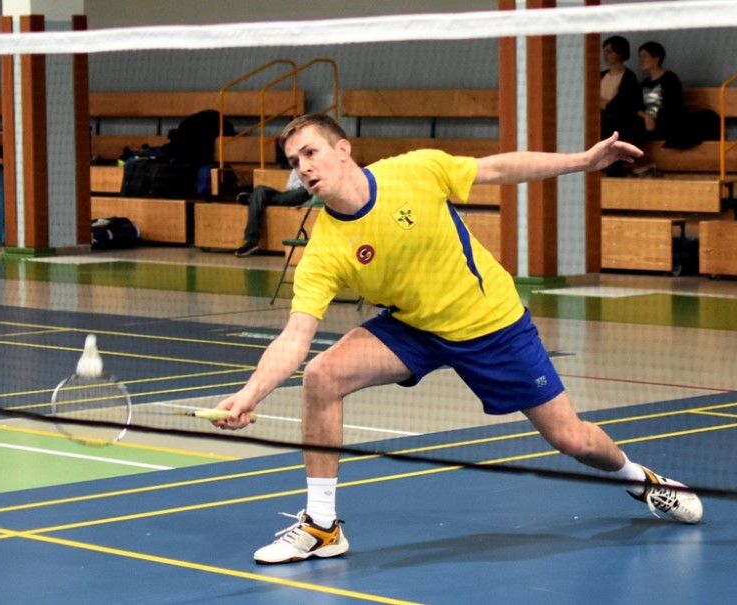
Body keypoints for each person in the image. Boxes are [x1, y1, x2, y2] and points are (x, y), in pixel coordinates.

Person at [211, 113, 704, 565]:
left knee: (570, 439)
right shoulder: (324, 249)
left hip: (491, 324)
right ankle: (322, 525)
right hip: (415, 326)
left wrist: (583, 161)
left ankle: (639, 479)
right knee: (322, 375)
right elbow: (295, 337)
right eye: (294, 161)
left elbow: (499, 168)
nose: (303, 168)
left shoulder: (414, 171)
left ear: (343, 150)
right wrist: (250, 394)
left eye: (310, 152)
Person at [233, 168, 311, 257]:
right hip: (288, 195)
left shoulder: (316, 168)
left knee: (302, 191)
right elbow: (289, 188)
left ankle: (254, 199)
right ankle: (251, 241)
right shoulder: (296, 168)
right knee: (259, 189)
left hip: (304, 194)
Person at [636, 41, 687, 143]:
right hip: (647, 120)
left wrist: (653, 119)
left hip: (666, 121)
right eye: (640, 57)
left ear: (656, 59)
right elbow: (636, 106)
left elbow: (673, 106)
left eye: (644, 57)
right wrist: (646, 117)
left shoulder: (670, 79)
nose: (641, 60)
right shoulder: (645, 83)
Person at [601, 35, 643, 155]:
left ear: (620, 53)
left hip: (618, 123)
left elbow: (624, 105)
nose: (605, 56)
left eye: (609, 52)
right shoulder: (600, 75)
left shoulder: (629, 77)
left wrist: (606, 105)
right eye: (604, 52)